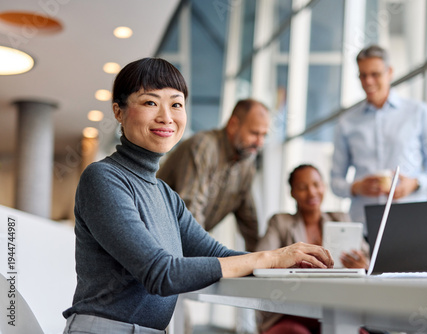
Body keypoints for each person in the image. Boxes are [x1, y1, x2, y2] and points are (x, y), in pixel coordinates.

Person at [62, 58, 333, 334]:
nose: (166, 117)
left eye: (176, 104)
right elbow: (161, 272)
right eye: (150, 102)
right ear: (118, 112)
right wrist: (268, 259)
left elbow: (218, 253)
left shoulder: (167, 196)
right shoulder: (103, 179)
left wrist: (288, 262)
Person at [331, 44, 427, 231]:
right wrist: (356, 187)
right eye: (363, 75)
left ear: (390, 72)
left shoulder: (418, 113)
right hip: (364, 224)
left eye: (375, 74)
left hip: (412, 222)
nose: (368, 81)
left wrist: (415, 184)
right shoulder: (346, 122)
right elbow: (336, 181)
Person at [256, 164, 367, 334]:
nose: (312, 192)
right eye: (302, 187)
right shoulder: (280, 222)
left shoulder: (340, 219)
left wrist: (363, 265)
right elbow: (260, 260)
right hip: (290, 310)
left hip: (335, 307)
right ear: (292, 192)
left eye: (316, 185)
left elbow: (369, 262)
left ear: (324, 187)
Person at [156, 98, 269, 251]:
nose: (260, 142)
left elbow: (249, 220)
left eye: (264, 135)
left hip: (186, 246)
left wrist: (260, 260)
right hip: (158, 243)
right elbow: (191, 211)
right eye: (254, 133)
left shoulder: (246, 164)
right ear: (233, 125)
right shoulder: (203, 147)